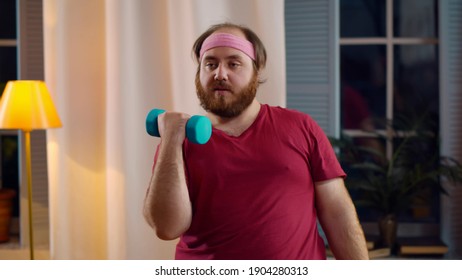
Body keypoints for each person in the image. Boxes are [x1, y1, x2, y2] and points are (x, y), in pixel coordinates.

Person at [143, 22, 369, 260]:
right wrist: (170, 140)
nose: (220, 73)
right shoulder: (178, 142)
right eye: (210, 64)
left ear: (256, 71)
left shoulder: (300, 127)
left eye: (233, 63)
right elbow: (167, 228)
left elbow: (337, 213)